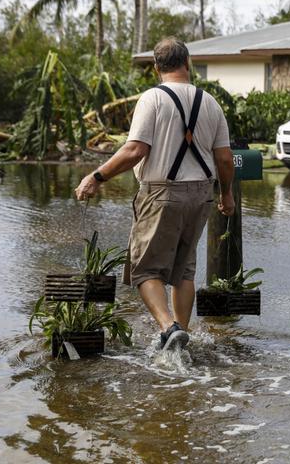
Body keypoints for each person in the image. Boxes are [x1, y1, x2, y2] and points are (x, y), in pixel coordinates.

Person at [74, 37, 235, 350]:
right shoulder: (210, 102)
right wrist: (226, 195)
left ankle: (168, 327)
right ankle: (180, 337)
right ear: (187, 64)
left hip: (163, 193)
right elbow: (225, 159)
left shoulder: (153, 99)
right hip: (201, 193)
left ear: (156, 68)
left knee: (145, 269)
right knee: (184, 269)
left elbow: (135, 150)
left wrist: (97, 176)